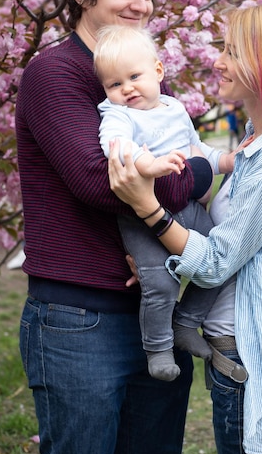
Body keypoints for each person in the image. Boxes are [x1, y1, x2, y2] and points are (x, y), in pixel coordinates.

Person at [107, 3, 262, 454]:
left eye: (231, 52)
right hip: (239, 346)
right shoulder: (255, 141)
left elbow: (215, 262)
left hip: (248, 353)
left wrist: (145, 207)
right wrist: (159, 257)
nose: (217, 61)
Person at [15, 0, 199, 454]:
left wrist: (182, 178)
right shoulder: (55, 75)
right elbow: (103, 183)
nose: (139, 5)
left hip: (154, 310)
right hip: (79, 316)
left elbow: (168, 169)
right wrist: (207, 168)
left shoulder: (136, 77)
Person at [94, 24, 239, 381]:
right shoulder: (117, 115)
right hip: (141, 215)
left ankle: (185, 323)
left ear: (158, 71)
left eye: (134, 77)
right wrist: (150, 165)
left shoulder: (174, 107)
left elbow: (197, 147)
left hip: (188, 209)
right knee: (159, 282)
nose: (126, 88)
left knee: (221, 261)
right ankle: (157, 348)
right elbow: (116, 146)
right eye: (114, 84)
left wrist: (225, 161)